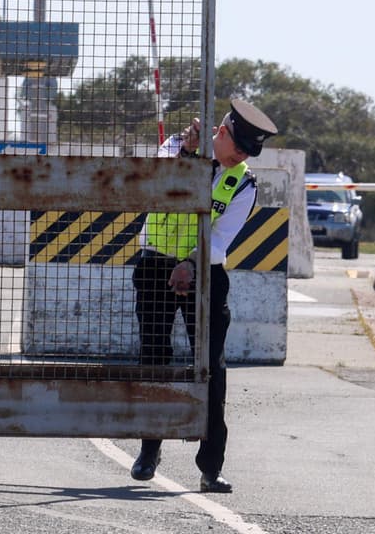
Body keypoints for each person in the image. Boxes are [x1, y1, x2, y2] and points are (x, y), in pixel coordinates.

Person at [130, 99, 278, 493]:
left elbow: (221, 237)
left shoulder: (244, 183)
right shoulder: (175, 148)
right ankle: (149, 450)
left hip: (206, 274)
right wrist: (186, 154)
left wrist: (191, 264)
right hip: (155, 266)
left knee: (211, 367)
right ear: (222, 132)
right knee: (154, 358)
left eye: (250, 152)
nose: (243, 156)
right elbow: (154, 182)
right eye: (239, 147)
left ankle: (211, 467)